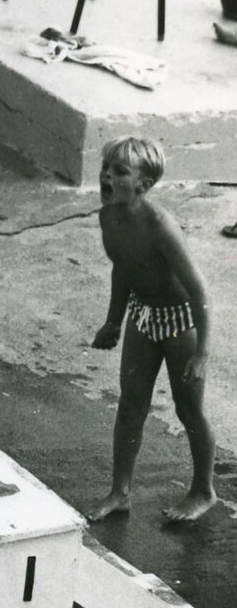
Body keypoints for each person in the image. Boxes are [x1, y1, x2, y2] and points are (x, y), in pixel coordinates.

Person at [87, 136, 217, 524]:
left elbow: (199, 290)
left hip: (180, 320)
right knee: (130, 405)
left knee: (188, 409)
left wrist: (203, 352)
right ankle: (120, 492)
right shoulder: (107, 217)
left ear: (143, 185)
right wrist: (113, 321)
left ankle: (203, 490)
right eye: (106, 168)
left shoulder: (160, 225)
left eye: (120, 171)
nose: (107, 176)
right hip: (143, 315)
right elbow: (123, 266)